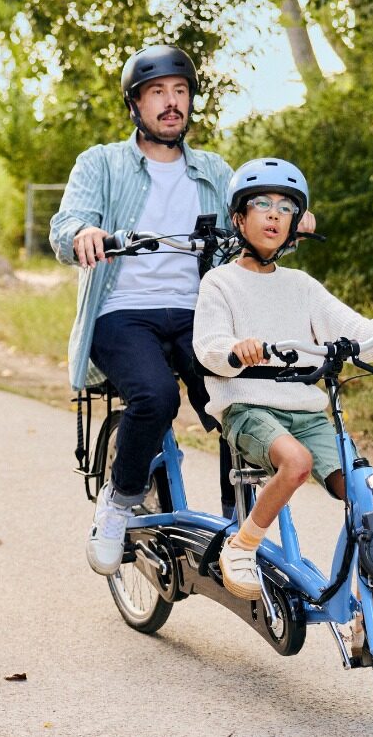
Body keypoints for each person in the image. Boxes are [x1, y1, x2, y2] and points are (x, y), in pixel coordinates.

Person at [50, 45, 313, 576]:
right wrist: (84, 233)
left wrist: (293, 216)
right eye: (157, 93)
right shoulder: (100, 163)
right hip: (122, 312)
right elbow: (65, 226)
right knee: (155, 395)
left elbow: (259, 210)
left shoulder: (215, 170)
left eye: (180, 91)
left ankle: (240, 520)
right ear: (135, 105)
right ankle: (119, 505)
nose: (171, 103)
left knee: (240, 392)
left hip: (201, 313)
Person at [192, 157, 373, 600]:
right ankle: (243, 544)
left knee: (363, 490)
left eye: (285, 206)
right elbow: (210, 345)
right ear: (239, 218)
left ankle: (363, 602)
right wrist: (237, 350)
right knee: (295, 463)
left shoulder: (301, 285)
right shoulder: (220, 282)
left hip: (307, 410)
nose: (274, 214)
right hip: (249, 407)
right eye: (261, 203)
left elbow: (350, 327)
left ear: (295, 222)